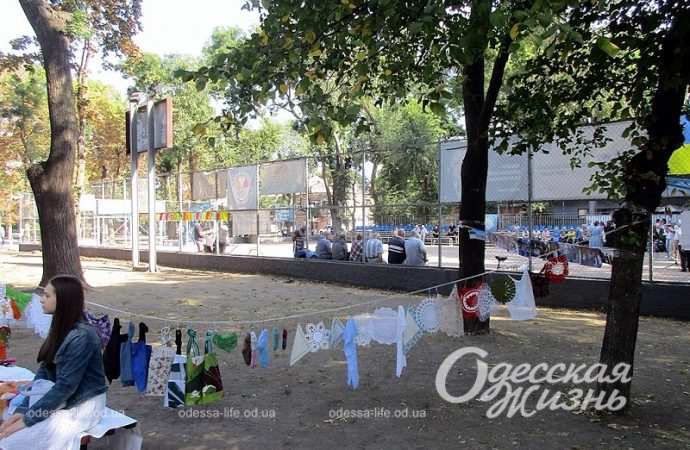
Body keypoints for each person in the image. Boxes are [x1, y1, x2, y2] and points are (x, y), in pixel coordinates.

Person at [0, 276, 107, 449]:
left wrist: (27, 419)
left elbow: (66, 386)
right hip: (62, 399)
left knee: (13, 440)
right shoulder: (60, 327)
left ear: (64, 300)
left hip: (83, 405)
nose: (41, 299)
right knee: (8, 427)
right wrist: (23, 411)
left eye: (47, 296)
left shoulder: (82, 336)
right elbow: (44, 371)